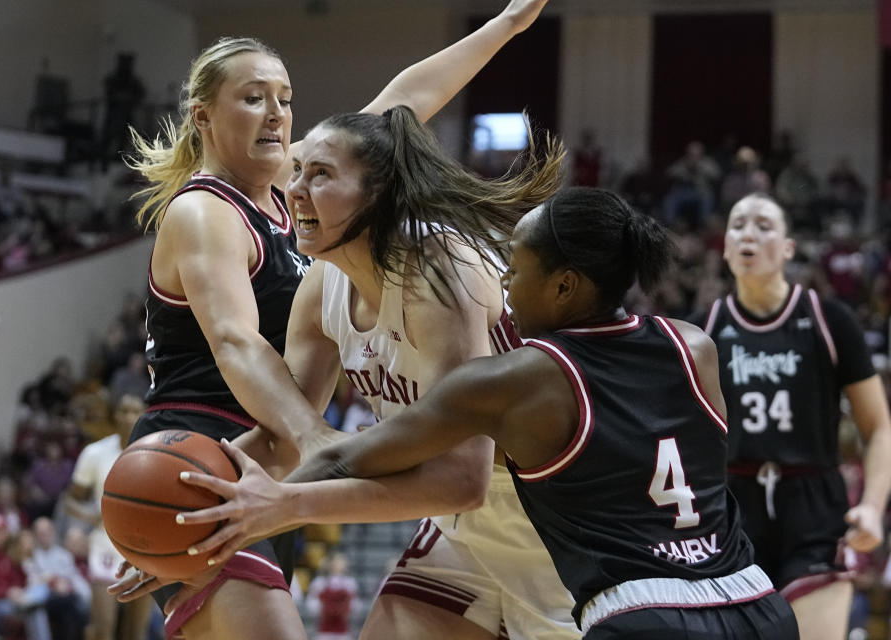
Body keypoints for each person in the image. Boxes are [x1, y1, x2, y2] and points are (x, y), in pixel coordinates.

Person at [172, 187, 799, 638]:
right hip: (753, 598)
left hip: (634, 611)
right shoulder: (695, 346)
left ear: (564, 285)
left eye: (517, 271)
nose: (502, 286)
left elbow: (347, 455)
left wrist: (254, 513)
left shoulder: (519, 378)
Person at [111, 3, 554, 639]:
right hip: (208, 439)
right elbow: (236, 342)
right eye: (254, 97)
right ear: (203, 115)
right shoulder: (208, 210)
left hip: (283, 455)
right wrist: (313, 441)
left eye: (285, 98)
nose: (276, 113)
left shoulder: (321, 200)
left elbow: (398, 107)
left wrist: (505, 24)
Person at [693, 193, 891, 640]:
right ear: (724, 248)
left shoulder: (829, 320)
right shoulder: (700, 331)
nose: (748, 233)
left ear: (787, 248)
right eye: (738, 224)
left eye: (763, 225)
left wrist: (874, 507)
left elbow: (878, 427)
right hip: (730, 509)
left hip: (815, 505)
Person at [65, 393, 153, 640]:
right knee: (102, 627)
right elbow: (70, 499)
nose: (128, 416)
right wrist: (87, 520)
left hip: (143, 548)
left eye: (134, 411)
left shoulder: (158, 453)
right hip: (105, 544)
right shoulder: (95, 453)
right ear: (114, 415)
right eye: (123, 411)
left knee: (136, 632)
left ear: (144, 415)